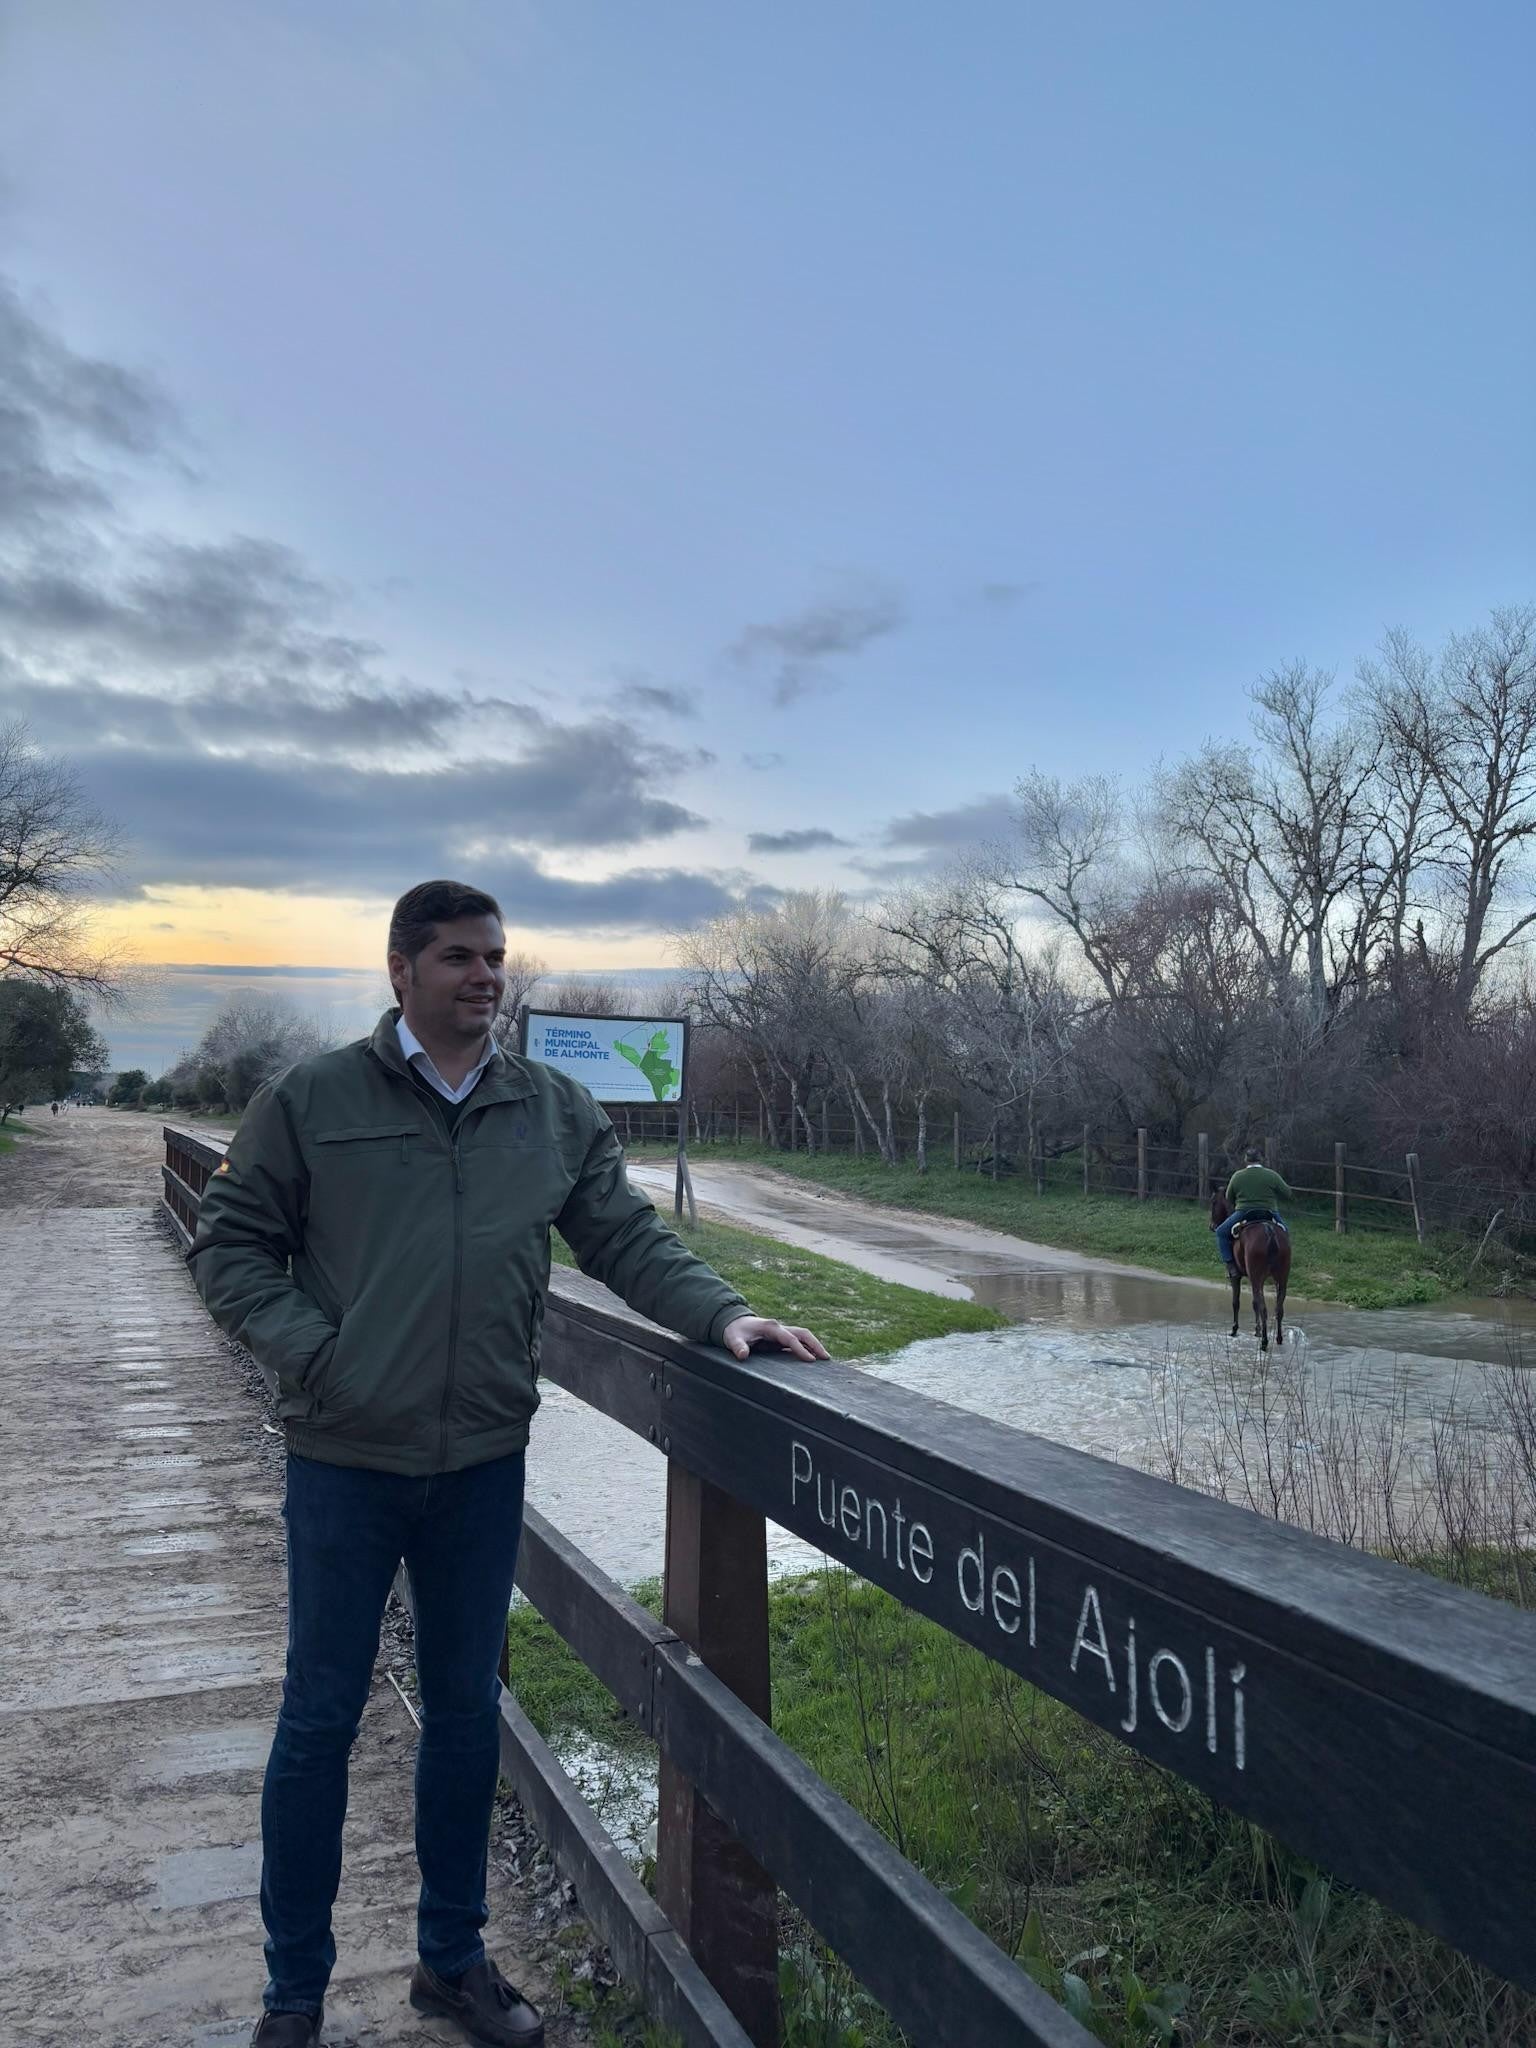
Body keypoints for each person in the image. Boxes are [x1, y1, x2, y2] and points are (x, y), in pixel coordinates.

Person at [189, 879, 829, 2048]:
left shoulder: (550, 1107)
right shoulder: (314, 1098)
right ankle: (293, 1993)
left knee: (466, 1714)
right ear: (400, 971)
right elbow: (231, 1249)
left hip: (482, 1460)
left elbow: (624, 1235)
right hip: (345, 1458)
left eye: (495, 956)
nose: (485, 975)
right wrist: (317, 1356)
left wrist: (723, 1316)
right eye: (457, 958)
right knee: (319, 1718)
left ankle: (450, 1960)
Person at [1216, 1148, 1292, 1277]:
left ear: (1246, 1160)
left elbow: (1229, 1197)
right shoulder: (1272, 1175)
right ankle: (1283, 1264)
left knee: (1221, 1232)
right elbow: (1287, 1193)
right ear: (1260, 1159)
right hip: (1270, 1212)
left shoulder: (1237, 1176)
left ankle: (1231, 1266)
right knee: (1285, 1233)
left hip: (1244, 1212)